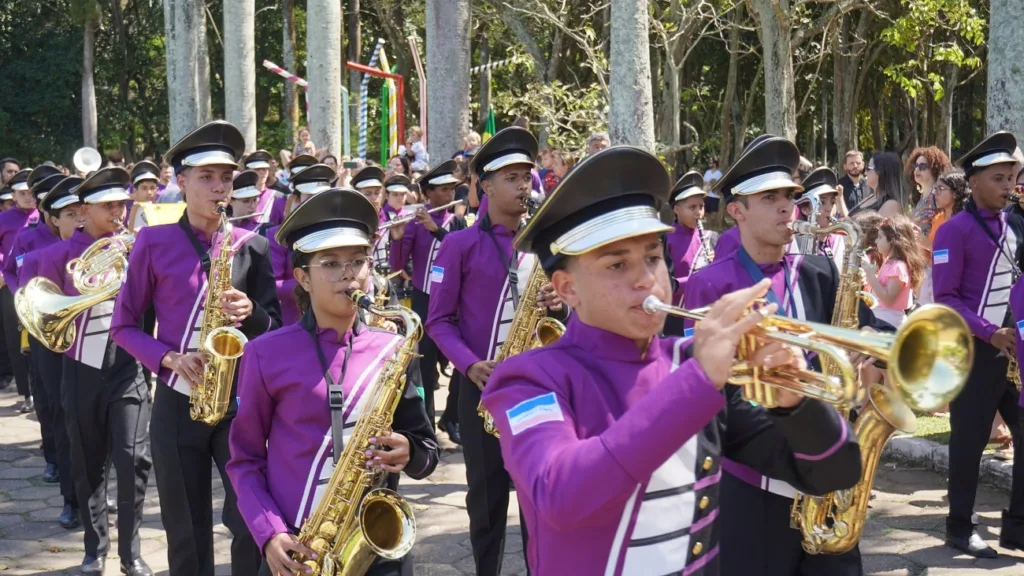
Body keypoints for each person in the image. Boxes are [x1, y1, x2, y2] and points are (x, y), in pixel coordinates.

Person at [481, 145, 862, 575]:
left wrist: (793, 403)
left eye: (652, 257)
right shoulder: (528, 379)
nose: (645, 278)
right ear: (567, 288)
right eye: (616, 265)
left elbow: (833, 472)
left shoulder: (686, 363)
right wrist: (698, 382)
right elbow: (560, 496)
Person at [683, 135, 886, 575]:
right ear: (737, 210)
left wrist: (870, 353)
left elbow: (870, 328)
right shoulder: (708, 285)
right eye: (769, 197)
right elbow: (713, 396)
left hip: (830, 483)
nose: (786, 207)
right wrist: (803, 455)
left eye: (790, 196)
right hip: (753, 485)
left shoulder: (820, 271)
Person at [228, 188, 439, 576]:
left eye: (358, 261)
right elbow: (244, 460)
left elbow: (427, 451)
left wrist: (409, 450)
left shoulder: (395, 347)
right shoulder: (265, 353)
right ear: (302, 279)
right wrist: (268, 533)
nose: (349, 274)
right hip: (297, 549)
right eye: (330, 263)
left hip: (377, 545)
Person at [110, 120, 281, 576]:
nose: (219, 187)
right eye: (206, 177)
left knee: (250, 522)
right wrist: (168, 359)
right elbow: (124, 326)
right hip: (176, 399)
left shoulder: (254, 247)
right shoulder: (153, 242)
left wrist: (254, 314)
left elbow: (278, 329)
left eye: (226, 177)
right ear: (180, 182)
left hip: (240, 405)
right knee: (184, 529)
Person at [427, 127, 567, 576]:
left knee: (538, 498)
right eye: (512, 177)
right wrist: (469, 365)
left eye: (526, 175)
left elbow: (570, 314)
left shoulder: (545, 246)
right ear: (485, 186)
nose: (524, 184)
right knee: (486, 500)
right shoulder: (459, 244)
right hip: (483, 386)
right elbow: (438, 321)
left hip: (538, 388)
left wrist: (561, 303)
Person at [33, 167, 153, 575]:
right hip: (80, 367)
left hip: (127, 366)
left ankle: (131, 553)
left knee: (133, 459)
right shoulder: (56, 256)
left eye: (122, 203)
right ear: (83, 211)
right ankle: (94, 548)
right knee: (87, 462)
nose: (119, 212)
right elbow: (40, 313)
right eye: (109, 206)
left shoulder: (137, 248)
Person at [934, 131, 1024, 558]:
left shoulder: (1016, 223)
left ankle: (1018, 526)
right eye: (998, 177)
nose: (1008, 185)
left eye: (1012, 176)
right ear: (973, 182)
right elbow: (945, 299)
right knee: (968, 442)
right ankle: (958, 527)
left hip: (1014, 353)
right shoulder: (954, 231)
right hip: (972, 353)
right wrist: (990, 332)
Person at [20, 175, 84, 530]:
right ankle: (71, 499)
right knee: (63, 418)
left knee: (97, 421)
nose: (77, 220)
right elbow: (29, 303)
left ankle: (96, 490)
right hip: (54, 347)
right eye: (69, 214)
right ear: (53, 219)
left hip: (96, 344)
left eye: (81, 213)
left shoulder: (102, 254)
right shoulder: (38, 255)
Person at [389, 160, 467, 442]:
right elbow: (397, 266)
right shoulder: (414, 223)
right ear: (427, 194)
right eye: (443, 190)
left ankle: (452, 417)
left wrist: (436, 229)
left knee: (463, 363)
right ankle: (427, 430)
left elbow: (463, 255)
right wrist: (397, 239)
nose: (449, 195)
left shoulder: (459, 221)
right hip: (425, 300)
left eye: (451, 189)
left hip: (457, 301)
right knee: (424, 366)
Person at [4, 166, 63, 481]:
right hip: (39, 325)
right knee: (46, 395)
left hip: (75, 328)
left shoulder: (80, 236)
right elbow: (12, 271)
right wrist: (21, 299)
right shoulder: (28, 236)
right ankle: (52, 456)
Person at [266, 164, 336, 326]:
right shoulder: (278, 235)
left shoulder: (336, 233)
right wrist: (314, 284)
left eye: (322, 198)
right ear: (296, 199)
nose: (317, 204)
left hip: (334, 319)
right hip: (294, 320)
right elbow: (272, 284)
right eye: (310, 197)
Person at [0, 168, 38, 412]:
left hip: (41, 284)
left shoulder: (44, 215)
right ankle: (27, 393)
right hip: (10, 284)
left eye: (31, 192)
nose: (28, 197)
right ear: (13, 195)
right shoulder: (4, 218)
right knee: (16, 340)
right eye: (22, 193)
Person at [861, 214, 926, 328]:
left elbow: (888, 300)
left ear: (893, 241)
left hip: (889, 323)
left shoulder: (898, 267)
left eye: (880, 237)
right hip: (882, 318)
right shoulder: (889, 262)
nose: (876, 241)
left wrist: (870, 276)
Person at [664, 170, 716, 307]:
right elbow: (664, 282)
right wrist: (699, 280)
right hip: (675, 313)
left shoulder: (711, 237)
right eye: (692, 207)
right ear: (676, 209)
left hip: (704, 309)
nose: (699, 212)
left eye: (701, 206)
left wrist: (717, 264)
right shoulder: (665, 239)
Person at [906, 146, 952, 241]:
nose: (917, 170)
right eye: (915, 166)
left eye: (922, 167)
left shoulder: (938, 199)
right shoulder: (922, 198)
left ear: (934, 169)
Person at [850, 152, 907, 218]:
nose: (865, 172)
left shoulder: (891, 204)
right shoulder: (871, 197)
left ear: (880, 171)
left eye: (868, 168)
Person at [241, 150, 283, 228]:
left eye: (264, 169)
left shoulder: (278, 196)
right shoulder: (238, 197)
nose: (262, 172)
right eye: (257, 169)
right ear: (247, 171)